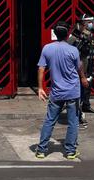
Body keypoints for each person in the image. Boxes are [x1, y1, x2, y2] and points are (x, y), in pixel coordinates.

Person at [35, 21, 89, 160]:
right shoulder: (73, 50)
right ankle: (70, 152)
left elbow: (41, 68)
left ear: (55, 33)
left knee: (49, 120)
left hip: (56, 92)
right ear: (67, 34)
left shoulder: (47, 48)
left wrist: (40, 88)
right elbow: (79, 67)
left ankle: (41, 149)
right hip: (72, 92)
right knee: (73, 122)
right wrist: (83, 78)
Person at [67, 14, 94, 130]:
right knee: (77, 95)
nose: (89, 24)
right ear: (81, 23)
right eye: (87, 22)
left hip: (87, 67)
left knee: (84, 92)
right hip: (78, 70)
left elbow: (91, 51)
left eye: (91, 22)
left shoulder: (88, 35)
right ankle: (78, 117)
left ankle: (82, 111)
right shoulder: (75, 36)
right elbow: (71, 52)